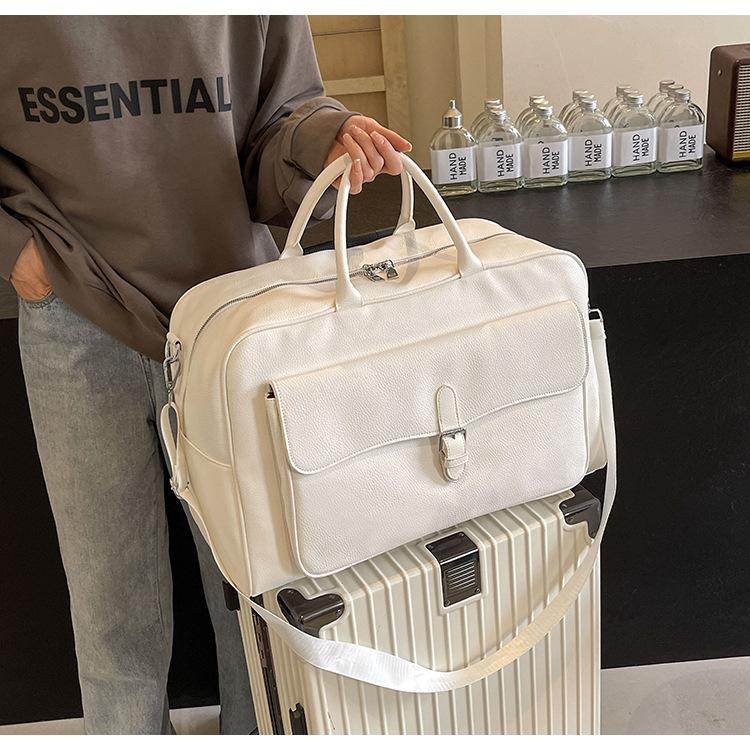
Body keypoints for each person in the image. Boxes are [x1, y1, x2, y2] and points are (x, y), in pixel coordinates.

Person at [0, 15, 411, 734]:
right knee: (108, 596)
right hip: (75, 306)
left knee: (251, 586)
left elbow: (279, 115)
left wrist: (324, 138)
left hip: (231, 313)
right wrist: (15, 250)